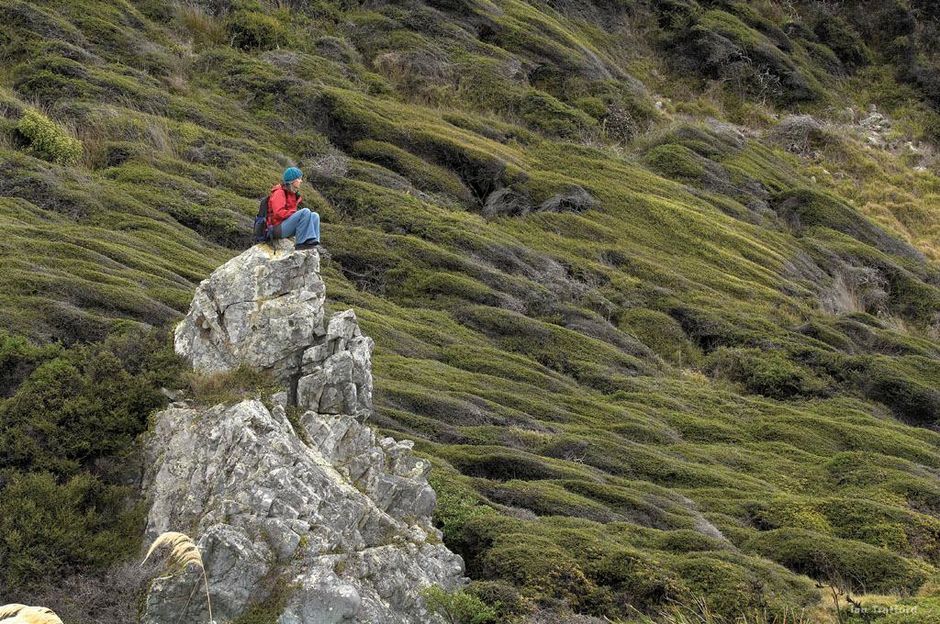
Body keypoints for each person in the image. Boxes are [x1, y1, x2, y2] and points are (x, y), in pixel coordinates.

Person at [268, 166, 320, 250]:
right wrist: (294, 213)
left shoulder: (292, 193)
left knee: (315, 215)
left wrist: (294, 214)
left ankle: (312, 242)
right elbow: (278, 213)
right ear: (292, 181)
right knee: (305, 211)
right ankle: (301, 243)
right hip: (276, 228)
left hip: (285, 225)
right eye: (299, 179)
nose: (301, 181)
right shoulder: (279, 193)